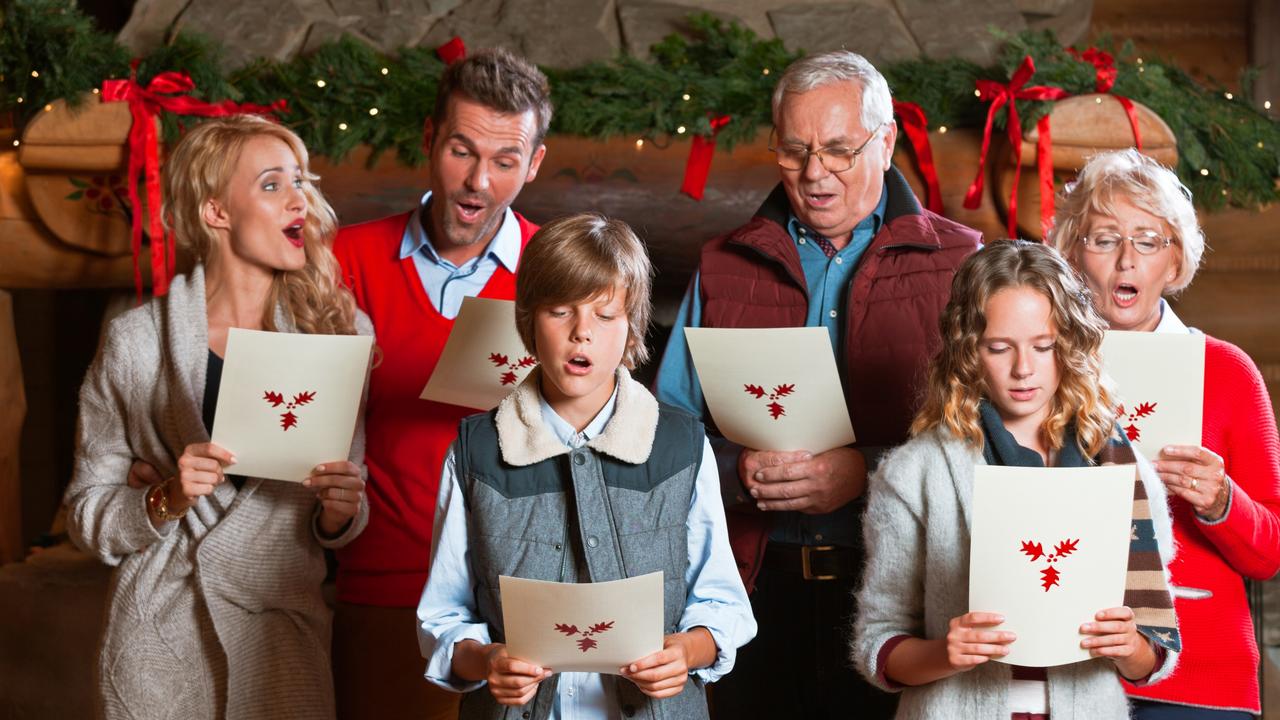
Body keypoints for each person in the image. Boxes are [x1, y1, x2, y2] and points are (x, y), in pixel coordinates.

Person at [652, 49, 981, 718]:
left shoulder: (963, 263)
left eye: (838, 151)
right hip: (750, 592)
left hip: (904, 597)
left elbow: (989, 444)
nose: (813, 174)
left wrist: (866, 472)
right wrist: (739, 473)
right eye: (794, 152)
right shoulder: (724, 264)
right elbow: (664, 435)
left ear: (885, 143)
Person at [63, 114, 370, 719]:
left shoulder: (338, 332)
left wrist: (343, 511)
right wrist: (167, 497)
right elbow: (85, 511)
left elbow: (339, 510)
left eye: (301, 181)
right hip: (159, 634)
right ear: (215, 213)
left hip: (283, 632)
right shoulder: (136, 342)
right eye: (272, 184)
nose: (298, 200)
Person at [417, 213, 756, 719]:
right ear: (528, 321)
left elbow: (723, 605)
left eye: (605, 315)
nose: (582, 334)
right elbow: (443, 617)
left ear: (632, 326)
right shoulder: (476, 450)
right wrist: (487, 659)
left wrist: (687, 652)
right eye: (560, 311)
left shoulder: (681, 446)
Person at [853, 240, 1181, 719]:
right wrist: (945, 653)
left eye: (1043, 346)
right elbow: (878, 642)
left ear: (1070, 345)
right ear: (968, 351)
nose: (1023, 369)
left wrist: (1128, 645)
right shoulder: (915, 472)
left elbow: (1155, 650)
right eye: (999, 348)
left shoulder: (1120, 464)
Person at [329, 47, 551, 719]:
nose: (478, 181)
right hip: (384, 585)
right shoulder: (346, 260)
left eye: (505, 162)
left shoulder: (556, 271)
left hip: (525, 593)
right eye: (461, 151)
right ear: (429, 139)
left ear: (534, 165)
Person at [1051, 149, 1280, 719]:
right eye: (1104, 239)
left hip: (1202, 681)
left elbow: (1271, 551)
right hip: (1066, 668)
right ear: (1074, 254)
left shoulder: (1227, 370)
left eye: (1148, 241)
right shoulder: (1034, 369)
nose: (1126, 259)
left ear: (1174, 261)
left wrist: (1223, 501)